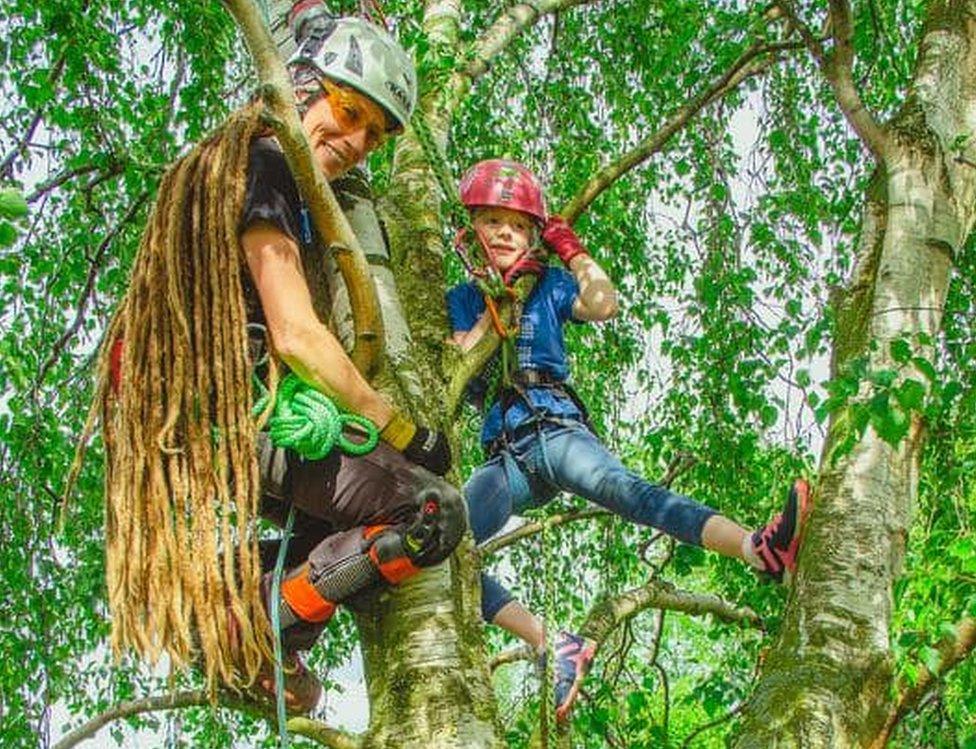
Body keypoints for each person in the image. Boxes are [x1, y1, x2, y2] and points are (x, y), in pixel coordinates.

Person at [100, 13, 464, 714]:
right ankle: (264, 617)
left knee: (344, 531)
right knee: (427, 509)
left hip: (217, 420)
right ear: (300, 87)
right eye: (348, 111)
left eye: (376, 136)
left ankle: (241, 595)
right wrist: (401, 430)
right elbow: (295, 332)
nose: (356, 143)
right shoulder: (264, 161)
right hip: (243, 412)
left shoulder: (232, 163)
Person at [446, 159, 811, 720]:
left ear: (532, 238)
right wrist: (495, 302)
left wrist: (572, 251)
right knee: (446, 539)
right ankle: (550, 642)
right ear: (470, 232)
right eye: (491, 221)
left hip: (556, 426)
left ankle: (756, 548)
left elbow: (603, 304)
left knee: (626, 490)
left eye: (517, 226)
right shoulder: (461, 299)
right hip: (506, 453)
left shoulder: (548, 286)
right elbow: (457, 369)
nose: (503, 233)